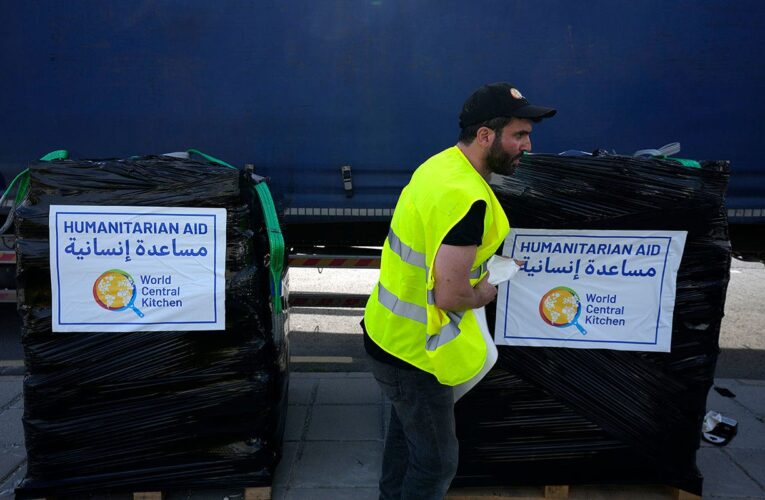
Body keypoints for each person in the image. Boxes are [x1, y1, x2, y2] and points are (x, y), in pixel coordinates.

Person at [362, 82, 556, 500]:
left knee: (405, 441)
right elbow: (450, 296)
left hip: (389, 334)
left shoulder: (440, 166)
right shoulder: (468, 199)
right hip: (415, 355)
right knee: (435, 463)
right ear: (486, 135)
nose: (528, 146)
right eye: (519, 135)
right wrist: (486, 291)